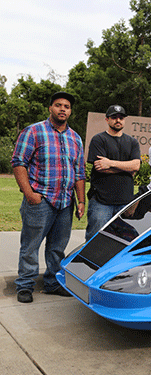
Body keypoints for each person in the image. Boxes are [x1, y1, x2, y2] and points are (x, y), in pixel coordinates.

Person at [11, 91, 86, 303]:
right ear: (50, 108)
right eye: (58, 105)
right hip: (40, 200)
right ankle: (25, 285)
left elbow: (79, 172)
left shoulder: (75, 138)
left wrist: (80, 201)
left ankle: (53, 283)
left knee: (57, 248)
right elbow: (18, 163)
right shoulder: (33, 131)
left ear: (70, 111)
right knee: (30, 245)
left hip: (65, 203)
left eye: (67, 107)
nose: (63, 109)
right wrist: (29, 194)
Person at [85, 105, 141, 241]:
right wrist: (126, 168)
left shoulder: (132, 142)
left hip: (125, 203)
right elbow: (100, 168)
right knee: (94, 242)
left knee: (124, 242)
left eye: (121, 118)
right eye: (114, 117)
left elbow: (136, 166)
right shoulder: (99, 140)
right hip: (101, 202)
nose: (118, 120)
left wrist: (110, 163)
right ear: (107, 119)